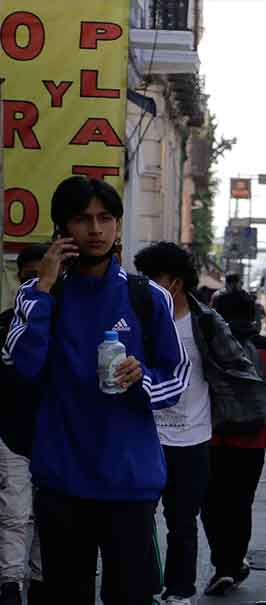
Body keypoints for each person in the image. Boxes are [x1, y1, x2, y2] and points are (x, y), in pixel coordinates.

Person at [1, 176, 190, 604]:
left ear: (118, 227)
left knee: (131, 597)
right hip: (61, 482)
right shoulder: (39, 296)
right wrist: (45, 286)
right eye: (83, 219)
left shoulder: (148, 297)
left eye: (106, 218)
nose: (96, 229)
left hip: (130, 482)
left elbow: (176, 379)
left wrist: (142, 380)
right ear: (61, 230)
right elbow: (23, 365)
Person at [133, 242, 266, 604]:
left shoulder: (206, 321)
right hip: (144, 435)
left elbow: (238, 371)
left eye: (156, 281)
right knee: (137, 520)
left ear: (175, 282)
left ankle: (180, 590)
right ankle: (145, 587)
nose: (148, 288)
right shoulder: (140, 319)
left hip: (194, 437)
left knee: (182, 522)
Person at [202, 295, 266, 597]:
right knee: (240, 503)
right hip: (252, 440)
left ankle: (223, 565)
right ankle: (234, 562)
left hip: (210, 437)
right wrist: (265, 413)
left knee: (211, 503)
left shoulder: (208, 343)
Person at [0, 245, 48, 605]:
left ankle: (41, 580)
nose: (36, 280)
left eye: (42, 273)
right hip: (11, 435)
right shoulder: (3, 324)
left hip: (55, 437)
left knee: (48, 517)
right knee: (15, 513)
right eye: (29, 274)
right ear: (19, 278)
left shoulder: (63, 325)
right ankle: (11, 584)